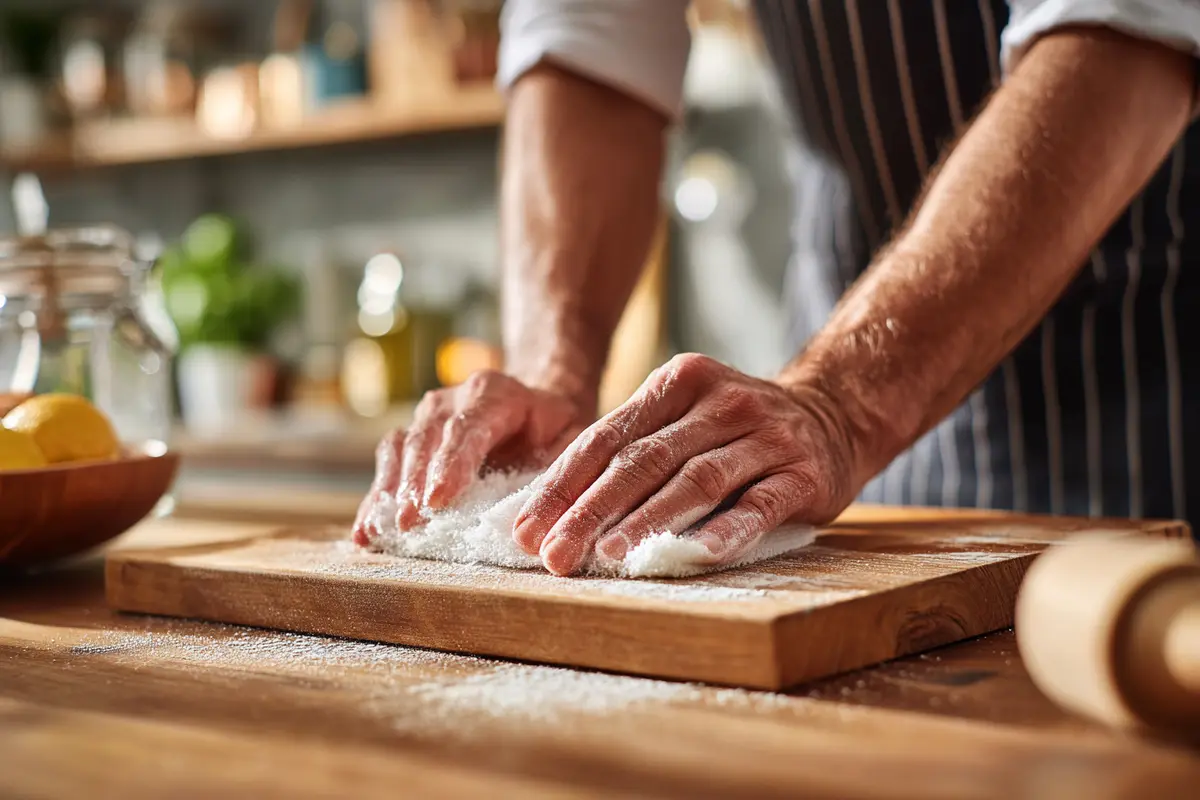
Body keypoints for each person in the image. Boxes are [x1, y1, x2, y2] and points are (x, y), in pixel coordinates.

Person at [355, 1, 1200, 575]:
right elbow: (587, 37)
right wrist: (554, 372)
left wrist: (843, 402)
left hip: (1156, 418)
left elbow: (1126, 28)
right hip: (877, 489)